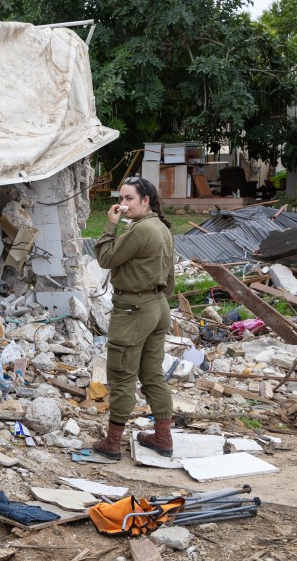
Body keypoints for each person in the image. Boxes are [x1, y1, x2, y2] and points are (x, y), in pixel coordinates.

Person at [92, 176, 175, 460]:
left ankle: (112, 443)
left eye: (129, 199)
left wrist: (110, 224)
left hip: (133, 309)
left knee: (122, 375)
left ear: (145, 201)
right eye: (121, 198)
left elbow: (105, 258)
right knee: (153, 375)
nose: (123, 205)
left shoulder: (140, 230)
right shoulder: (161, 227)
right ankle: (163, 436)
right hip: (158, 305)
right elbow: (170, 275)